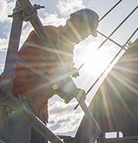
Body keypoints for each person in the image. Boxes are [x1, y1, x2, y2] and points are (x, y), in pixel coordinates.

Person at [2, 8, 99, 143]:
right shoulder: (46, 33)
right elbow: (35, 66)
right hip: (17, 97)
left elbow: (58, 82)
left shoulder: (68, 49)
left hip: (38, 107)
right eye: (85, 31)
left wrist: (73, 91)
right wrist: (66, 74)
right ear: (74, 22)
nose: (84, 37)